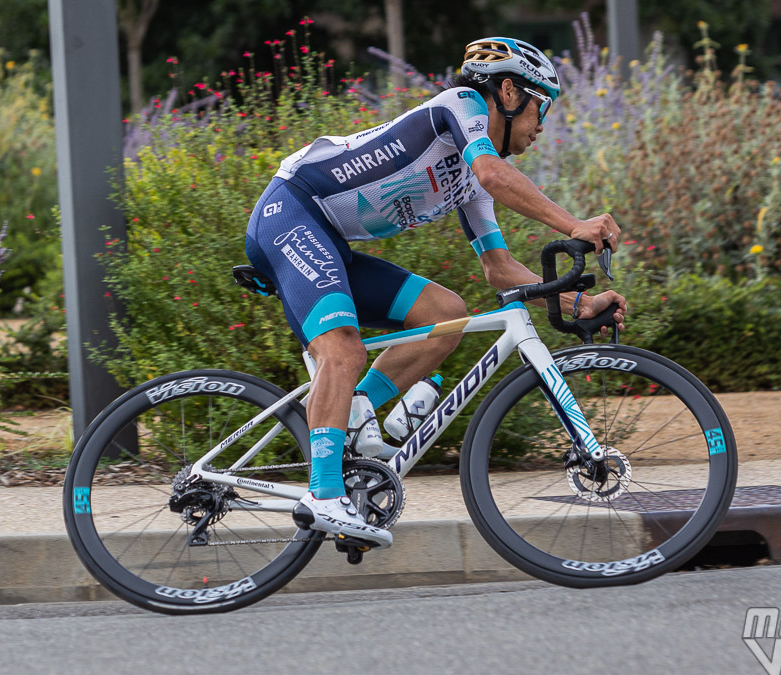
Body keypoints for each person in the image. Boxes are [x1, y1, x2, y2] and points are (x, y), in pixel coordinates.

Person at [245, 37, 628, 549]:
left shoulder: (473, 179)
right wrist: (575, 224)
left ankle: (355, 412)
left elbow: (500, 270)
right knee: (343, 348)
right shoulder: (459, 107)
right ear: (509, 91)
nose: (541, 126)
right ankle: (323, 494)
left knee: (445, 314)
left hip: (327, 241)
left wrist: (580, 304)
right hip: (290, 214)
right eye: (542, 108)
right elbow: (494, 173)